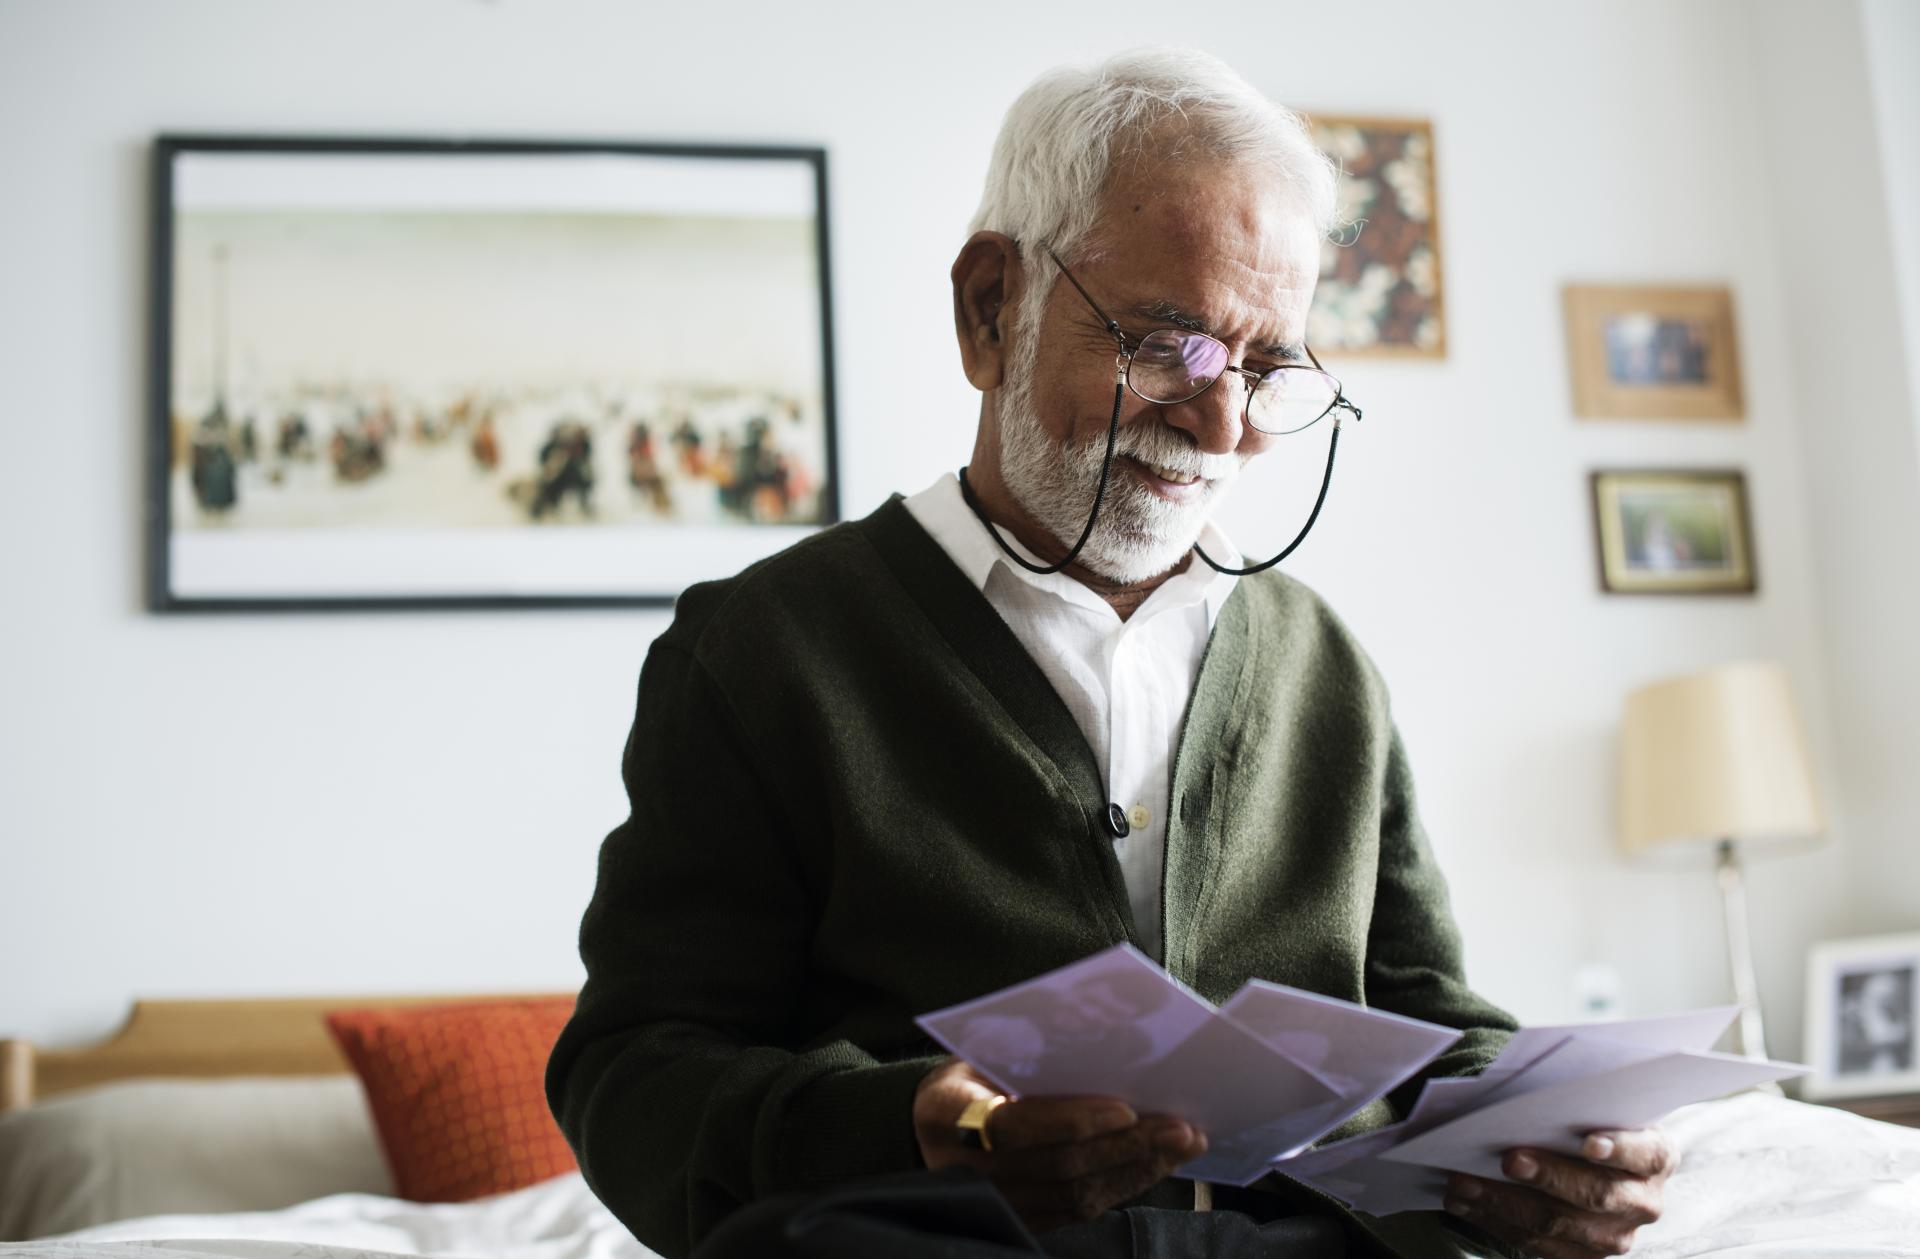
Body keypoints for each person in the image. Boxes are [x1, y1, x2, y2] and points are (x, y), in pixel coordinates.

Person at [546, 48, 1675, 1259]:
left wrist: (1548, 1145)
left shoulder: (1322, 666)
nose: (1225, 425)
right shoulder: (767, 651)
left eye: (1268, 366)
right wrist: (915, 1125)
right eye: (1171, 345)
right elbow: (636, 1073)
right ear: (992, 308)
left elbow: (1425, 1020)